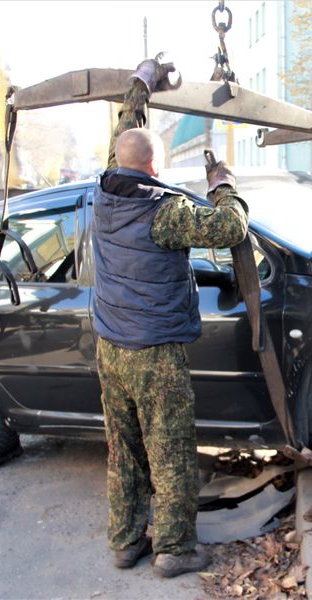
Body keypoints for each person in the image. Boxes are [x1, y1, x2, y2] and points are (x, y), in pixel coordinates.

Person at [91, 57, 249, 578]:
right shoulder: (164, 213)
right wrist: (223, 183)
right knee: (172, 449)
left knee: (124, 447)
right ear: (155, 168)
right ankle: (175, 550)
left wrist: (142, 81)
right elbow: (230, 229)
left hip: (110, 347)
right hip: (154, 351)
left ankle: (125, 541)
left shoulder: (102, 191)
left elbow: (124, 128)